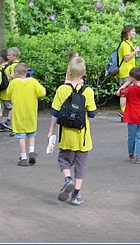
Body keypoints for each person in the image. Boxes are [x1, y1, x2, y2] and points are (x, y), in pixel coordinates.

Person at [45, 57, 97, 206]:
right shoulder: (88, 91)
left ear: (68, 71)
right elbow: (92, 113)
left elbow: (55, 112)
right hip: (83, 137)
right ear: (84, 73)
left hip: (66, 135)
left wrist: (51, 131)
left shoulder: (62, 89)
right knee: (81, 166)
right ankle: (76, 195)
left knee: (64, 159)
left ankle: (68, 179)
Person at [8, 63, 46, 166]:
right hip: (31, 112)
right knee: (31, 133)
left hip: (19, 113)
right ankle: (31, 151)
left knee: (21, 136)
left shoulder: (14, 83)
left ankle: (24, 157)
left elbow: (7, 94)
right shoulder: (33, 82)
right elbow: (42, 92)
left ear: (16, 73)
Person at [117, 67, 140, 164]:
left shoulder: (130, 89)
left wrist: (126, 84)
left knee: (131, 136)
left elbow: (119, 92)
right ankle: (139, 155)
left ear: (132, 78)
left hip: (131, 116)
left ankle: (131, 154)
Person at [117, 25, 140, 122]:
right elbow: (126, 58)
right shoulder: (125, 44)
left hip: (129, 71)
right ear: (128, 33)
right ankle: (124, 112)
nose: (134, 33)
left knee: (128, 92)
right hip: (126, 71)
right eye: (133, 31)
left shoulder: (129, 43)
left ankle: (126, 112)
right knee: (124, 93)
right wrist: (135, 51)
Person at [0, 47, 21, 132]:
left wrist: (10, 75)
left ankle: (7, 122)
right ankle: (5, 123)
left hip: (10, 91)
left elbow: (17, 77)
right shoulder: (13, 65)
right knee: (8, 107)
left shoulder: (14, 66)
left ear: (14, 56)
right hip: (8, 90)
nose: (7, 57)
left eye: (9, 55)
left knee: (11, 107)